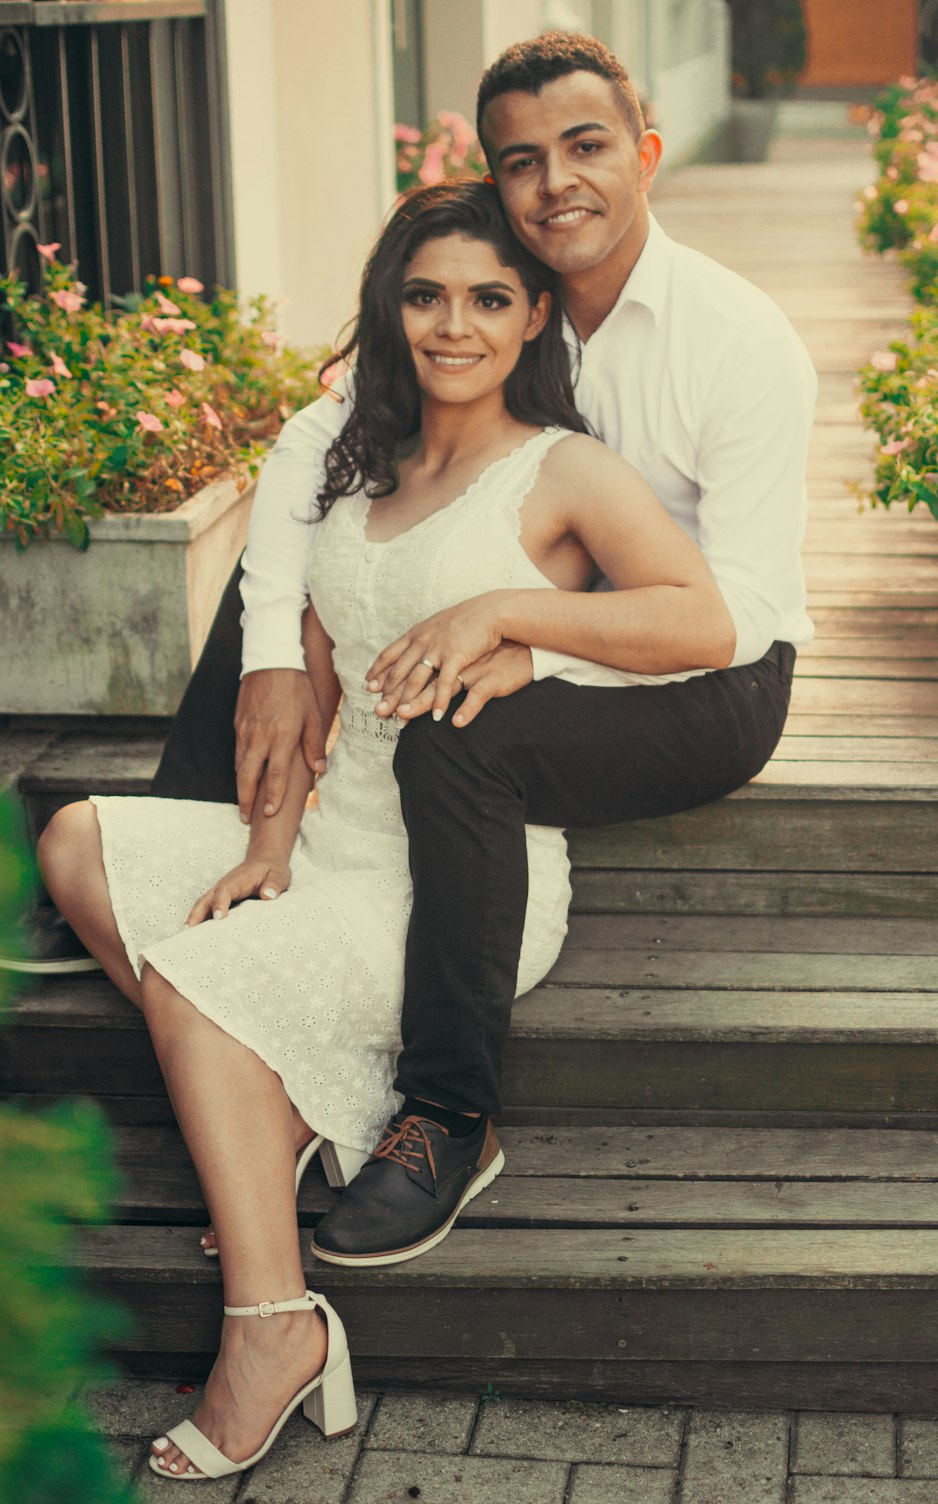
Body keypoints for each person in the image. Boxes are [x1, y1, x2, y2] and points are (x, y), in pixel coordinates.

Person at [37, 177, 732, 1480]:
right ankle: (281, 1114)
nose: (450, 325)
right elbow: (311, 666)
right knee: (77, 837)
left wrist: (515, 624)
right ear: (389, 307)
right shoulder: (365, 456)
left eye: (486, 297)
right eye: (423, 295)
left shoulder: (564, 471)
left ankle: (274, 1328)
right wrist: (267, 848)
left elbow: (699, 623)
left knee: (193, 976)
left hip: (451, 877)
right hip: (330, 831)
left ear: (536, 316)